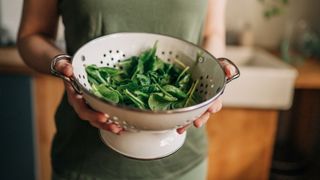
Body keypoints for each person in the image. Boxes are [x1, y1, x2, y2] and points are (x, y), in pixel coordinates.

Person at [18, 0, 234, 179]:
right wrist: (63, 66)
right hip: (85, 161)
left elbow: (212, 32)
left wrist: (212, 70)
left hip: (183, 162)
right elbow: (31, 36)